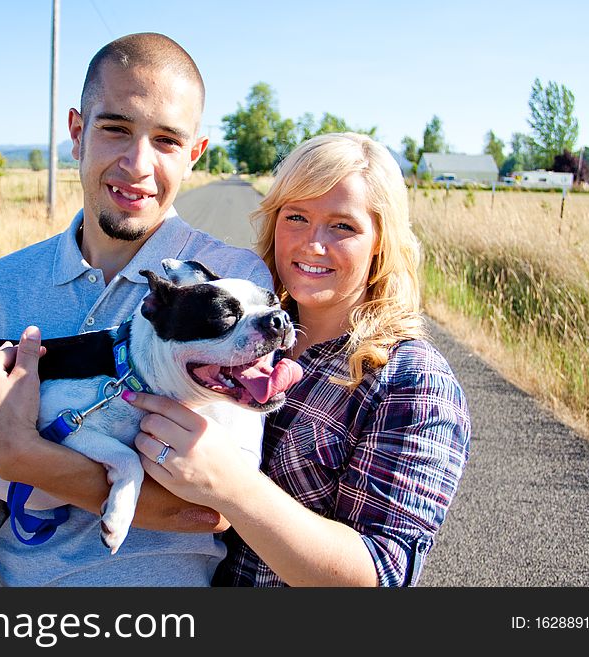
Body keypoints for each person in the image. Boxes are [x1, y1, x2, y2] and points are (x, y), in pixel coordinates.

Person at [0, 32, 272, 586]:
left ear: (194, 153)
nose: (137, 164)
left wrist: (20, 455)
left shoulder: (237, 289)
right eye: (115, 129)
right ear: (77, 132)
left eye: (167, 141)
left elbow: (213, 509)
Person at [124, 132, 471, 586]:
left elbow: (379, 575)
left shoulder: (412, 382)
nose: (313, 243)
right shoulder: (239, 334)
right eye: (297, 217)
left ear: (381, 243)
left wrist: (233, 486)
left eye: (343, 226)